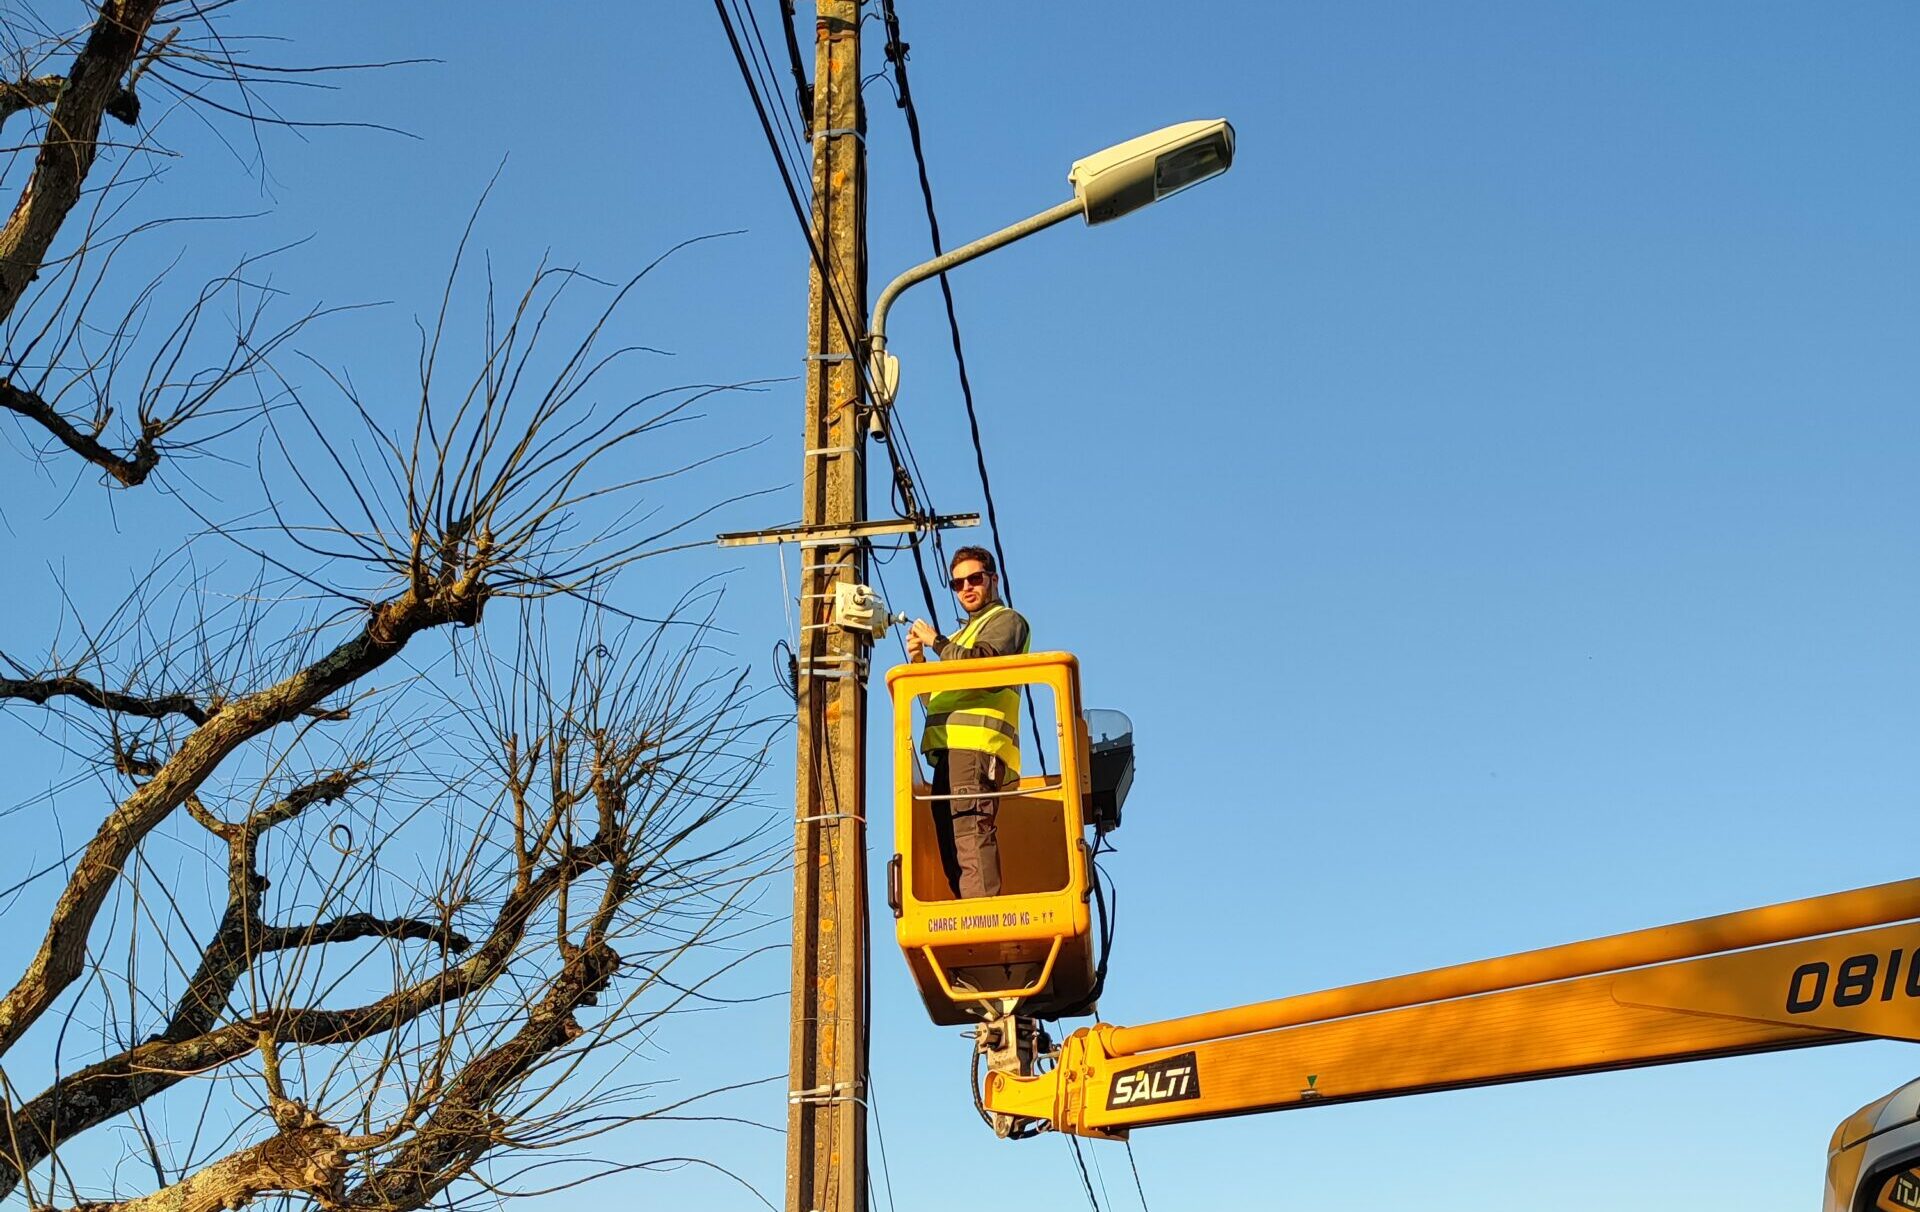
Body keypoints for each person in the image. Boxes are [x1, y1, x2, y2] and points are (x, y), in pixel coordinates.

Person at [906, 547, 1031, 899]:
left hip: (976, 747)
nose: (966, 588)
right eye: (958, 583)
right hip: (949, 751)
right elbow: (937, 700)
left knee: (969, 832)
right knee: (950, 840)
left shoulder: (1006, 621)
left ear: (993, 579)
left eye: (974, 579)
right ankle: (967, 909)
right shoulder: (963, 637)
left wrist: (936, 642)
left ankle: (981, 914)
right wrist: (918, 663)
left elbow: (983, 667)